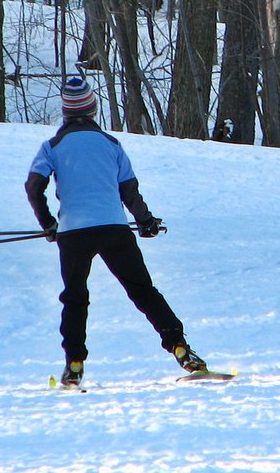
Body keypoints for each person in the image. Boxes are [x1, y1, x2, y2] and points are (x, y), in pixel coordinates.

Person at [25, 76, 208, 387]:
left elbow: (33, 187)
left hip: (74, 233)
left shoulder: (51, 147)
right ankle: (180, 348)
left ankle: (74, 362)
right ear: (92, 109)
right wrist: (146, 222)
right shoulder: (111, 145)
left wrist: (48, 225)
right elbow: (130, 192)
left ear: (67, 112)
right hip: (114, 228)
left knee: (75, 297)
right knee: (143, 291)